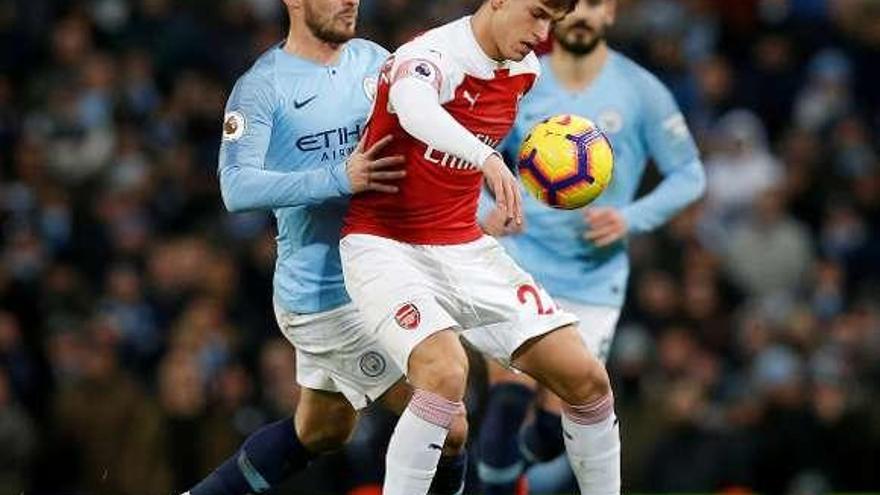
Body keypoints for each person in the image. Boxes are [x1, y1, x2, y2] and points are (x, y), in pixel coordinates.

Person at [181, 1, 468, 494]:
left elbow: (415, 148)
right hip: (325, 294)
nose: (349, 0)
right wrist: (339, 177)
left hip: (378, 276)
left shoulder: (374, 60)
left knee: (322, 429)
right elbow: (236, 187)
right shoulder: (262, 86)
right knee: (448, 422)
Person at [339, 1, 621, 494]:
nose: (542, 32)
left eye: (550, 22)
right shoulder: (430, 55)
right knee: (446, 373)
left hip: (465, 247)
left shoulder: (523, 70)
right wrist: (486, 158)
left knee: (588, 381)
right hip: (383, 245)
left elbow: (443, 167)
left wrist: (484, 208)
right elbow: (414, 108)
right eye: (535, 13)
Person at [471, 1, 706, 493]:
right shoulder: (522, 77)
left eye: (593, 4)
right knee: (507, 400)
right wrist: (483, 212)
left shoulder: (641, 90)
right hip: (522, 262)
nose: (581, 14)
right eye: (571, 5)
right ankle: (496, 480)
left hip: (594, 280)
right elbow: (470, 150)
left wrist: (630, 218)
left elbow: (690, 174)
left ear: (611, 14)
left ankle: (505, 473)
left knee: (560, 426)